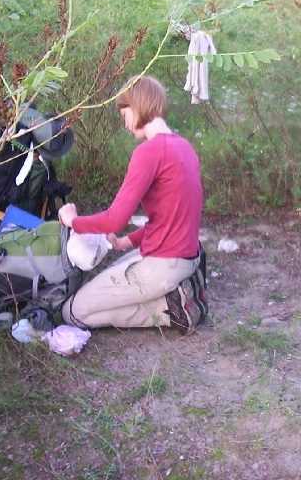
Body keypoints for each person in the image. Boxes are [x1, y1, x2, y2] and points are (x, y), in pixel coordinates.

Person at [57, 75, 206, 334]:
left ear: (137, 107)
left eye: (124, 114)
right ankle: (176, 291)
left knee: (72, 312)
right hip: (185, 258)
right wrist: (125, 242)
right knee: (109, 277)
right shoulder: (184, 147)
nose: (125, 123)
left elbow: (115, 219)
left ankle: (170, 310)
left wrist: (73, 222)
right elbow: (170, 217)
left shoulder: (149, 152)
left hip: (164, 264)